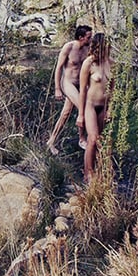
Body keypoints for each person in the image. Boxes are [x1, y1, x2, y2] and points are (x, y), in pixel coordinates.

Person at [46, 24, 93, 155]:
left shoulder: (87, 48)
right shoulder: (69, 47)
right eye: (89, 37)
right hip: (67, 83)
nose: (91, 39)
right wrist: (57, 89)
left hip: (80, 84)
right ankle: (82, 138)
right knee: (83, 108)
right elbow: (58, 68)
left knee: (65, 114)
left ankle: (51, 141)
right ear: (81, 37)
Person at [77, 32, 113, 182]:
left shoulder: (111, 63)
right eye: (105, 45)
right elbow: (82, 89)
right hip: (90, 106)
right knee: (93, 138)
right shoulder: (88, 63)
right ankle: (88, 173)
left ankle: (101, 170)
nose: (108, 48)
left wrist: (110, 109)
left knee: (101, 140)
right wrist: (80, 114)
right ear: (98, 46)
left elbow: (113, 89)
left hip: (103, 106)